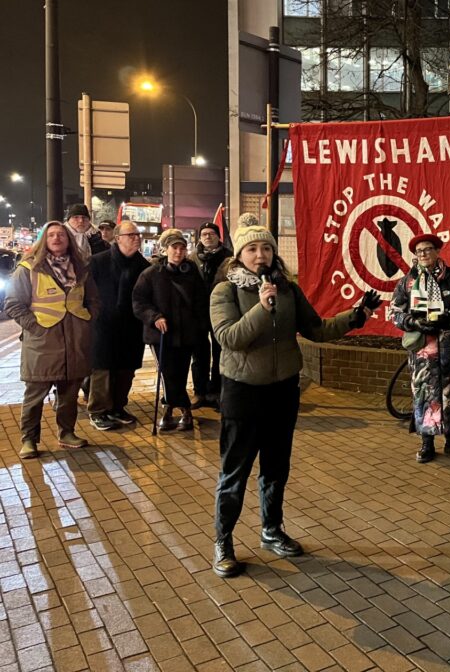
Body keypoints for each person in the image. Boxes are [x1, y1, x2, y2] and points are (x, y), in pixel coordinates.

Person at [210, 218, 379, 576]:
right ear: (240, 255)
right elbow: (230, 338)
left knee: (275, 469)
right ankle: (223, 540)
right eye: (253, 249)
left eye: (266, 248)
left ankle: (271, 530)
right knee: (234, 473)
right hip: (243, 392)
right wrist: (261, 307)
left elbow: (316, 329)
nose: (261, 255)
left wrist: (357, 316)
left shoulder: (287, 289)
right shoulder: (224, 291)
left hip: (282, 391)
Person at [4, 221, 97, 458]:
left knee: (69, 395)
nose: (57, 238)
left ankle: (67, 433)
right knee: (34, 396)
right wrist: (35, 328)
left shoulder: (81, 267)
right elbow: (14, 304)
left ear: (68, 240)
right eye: (52, 235)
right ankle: (29, 440)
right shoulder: (29, 268)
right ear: (44, 240)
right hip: (43, 343)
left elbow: (94, 300)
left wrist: (88, 321)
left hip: (75, 341)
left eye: (61, 235)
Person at [391, 232, 450, 463]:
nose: (424, 254)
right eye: (419, 251)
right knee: (424, 397)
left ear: (437, 251)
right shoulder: (407, 282)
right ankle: (426, 443)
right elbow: (394, 312)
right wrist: (412, 321)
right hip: (422, 354)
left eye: (428, 249)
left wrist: (448, 318)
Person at [133, 228, 209, 432]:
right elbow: (139, 301)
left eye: (182, 248)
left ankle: (170, 410)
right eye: (174, 247)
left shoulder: (192, 272)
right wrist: (154, 317)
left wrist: (200, 326)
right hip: (161, 336)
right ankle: (183, 409)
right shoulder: (151, 274)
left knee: (181, 373)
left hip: (186, 335)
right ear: (165, 250)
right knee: (167, 374)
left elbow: (202, 301)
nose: (178, 252)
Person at [86, 221, 150, 431]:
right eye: (131, 234)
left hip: (131, 325)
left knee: (126, 369)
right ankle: (98, 411)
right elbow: (86, 293)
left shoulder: (145, 267)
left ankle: (118, 407)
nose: (136, 238)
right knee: (103, 369)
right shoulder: (98, 262)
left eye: (138, 234)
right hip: (103, 324)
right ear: (118, 238)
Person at [191, 221, 230, 410]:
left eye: (211, 233)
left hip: (221, 312)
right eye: (204, 233)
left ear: (218, 236)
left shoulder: (229, 258)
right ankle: (199, 391)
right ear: (200, 237)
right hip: (197, 313)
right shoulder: (191, 259)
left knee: (220, 352)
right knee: (199, 354)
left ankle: (216, 391)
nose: (208, 236)